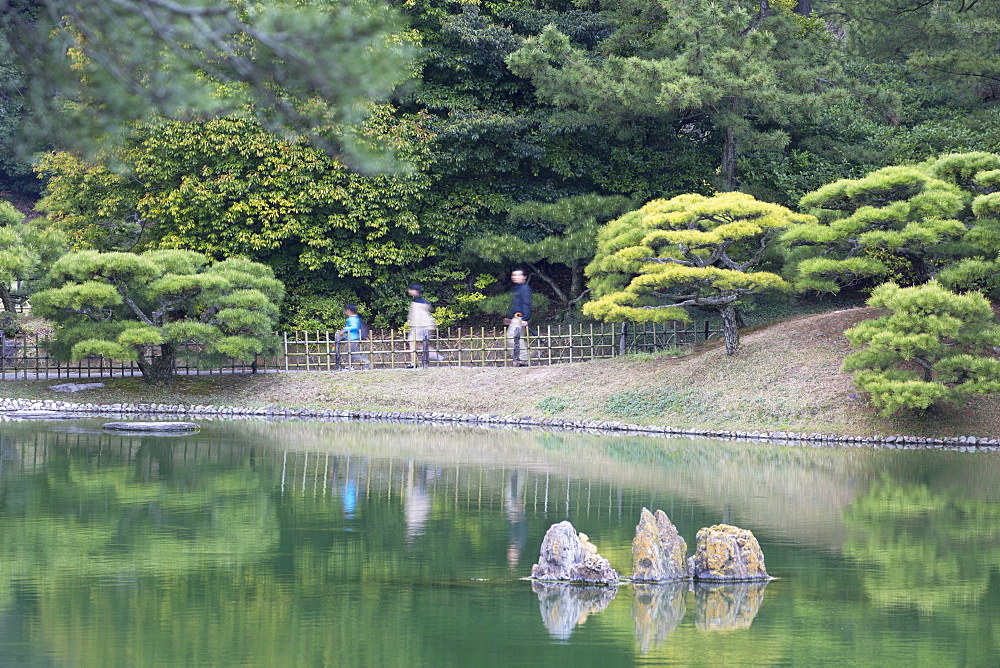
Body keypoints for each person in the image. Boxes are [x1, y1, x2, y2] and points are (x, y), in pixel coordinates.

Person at [406, 283, 442, 367]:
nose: (409, 291)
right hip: (424, 326)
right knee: (420, 345)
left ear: (415, 291)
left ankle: (413, 363)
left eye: (411, 289)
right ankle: (439, 357)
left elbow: (418, 317)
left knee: (412, 343)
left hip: (419, 326)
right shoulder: (421, 302)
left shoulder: (417, 303)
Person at [504, 268, 531, 366]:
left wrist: (525, 319)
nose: (515, 277)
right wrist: (509, 317)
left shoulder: (524, 288)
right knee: (516, 338)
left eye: (518, 275)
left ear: (524, 277)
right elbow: (516, 305)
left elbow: (526, 304)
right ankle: (519, 360)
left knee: (514, 337)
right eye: (514, 275)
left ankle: (523, 360)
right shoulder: (517, 288)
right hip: (516, 318)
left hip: (520, 318)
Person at [336, 304, 369, 368]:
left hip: (353, 339)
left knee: (354, 354)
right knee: (349, 353)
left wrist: (345, 329)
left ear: (349, 311)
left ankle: (366, 363)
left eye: (345, 310)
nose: (345, 312)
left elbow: (354, 327)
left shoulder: (353, 318)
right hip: (350, 338)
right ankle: (349, 366)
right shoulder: (353, 318)